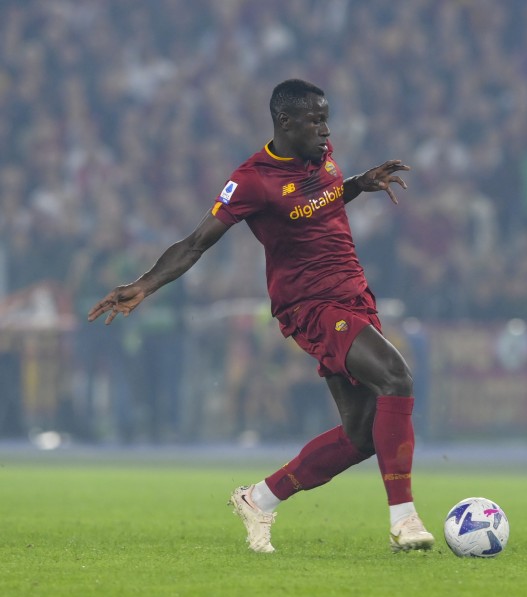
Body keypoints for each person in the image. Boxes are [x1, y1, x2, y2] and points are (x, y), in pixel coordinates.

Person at [88, 78, 435, 554]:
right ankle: (404, 520)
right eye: (316, 121)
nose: (326, 130)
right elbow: (195, 243)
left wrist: (359, 183)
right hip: (312, 305)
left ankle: (259, 499)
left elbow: (321, 202)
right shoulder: (253, 180)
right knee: (396, 376)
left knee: (360, 436)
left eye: (326, 119)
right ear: (285, 122)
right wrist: (144, 285)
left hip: (355, 294)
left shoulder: (321, 155)